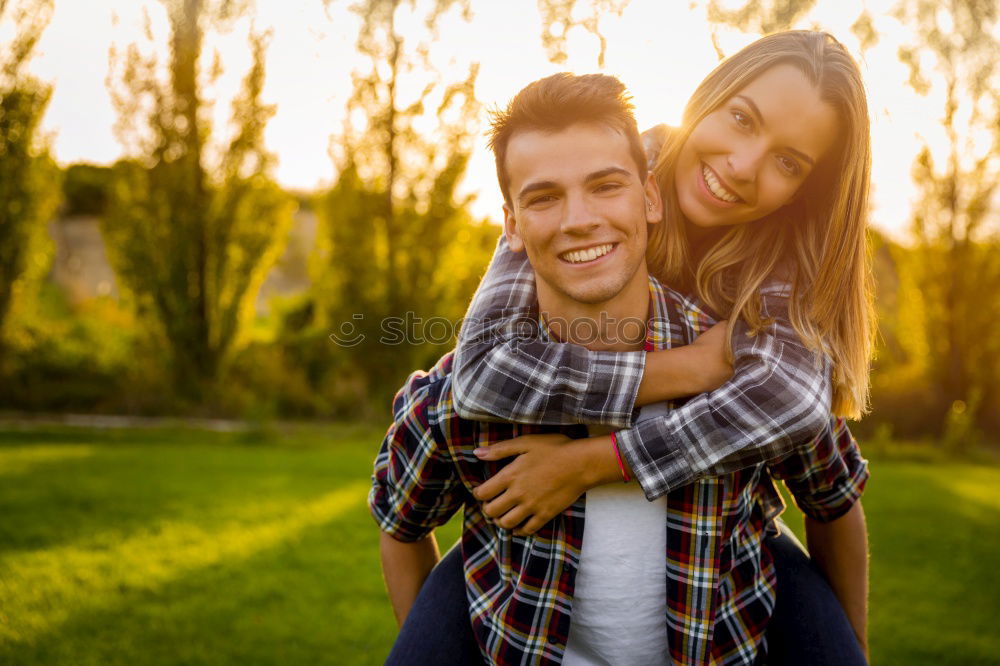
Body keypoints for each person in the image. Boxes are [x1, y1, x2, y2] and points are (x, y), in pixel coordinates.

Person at [370, 70, 869, 665]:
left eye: (607, 186)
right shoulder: (464, 391)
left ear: (648, 195)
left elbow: (833, 495)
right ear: (510, 225)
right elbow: (400, 520)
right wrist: (686, 370)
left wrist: (589, 463)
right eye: (544, 197)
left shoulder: (754, 362)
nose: (578, 218)